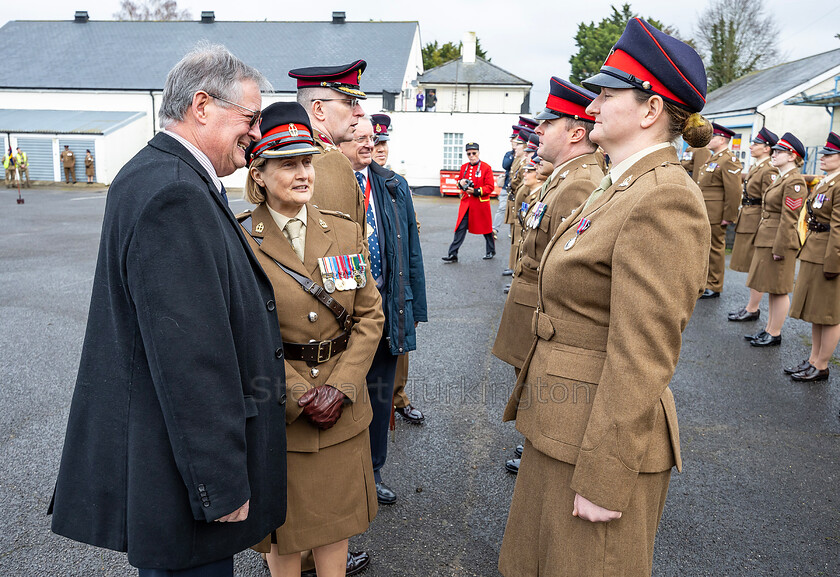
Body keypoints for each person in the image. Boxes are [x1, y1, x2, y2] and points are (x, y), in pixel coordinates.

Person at [49, 44, 287, 576]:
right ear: (202, 107)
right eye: (250, 118)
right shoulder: (174, 193)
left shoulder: (157, 174)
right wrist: (221, 485)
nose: (257, 132)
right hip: (183, 481)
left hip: (169, 461)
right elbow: (192, 361)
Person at [499, 18, 712, 577]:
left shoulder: (664, 197)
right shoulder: (621, 182)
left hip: (596, 444)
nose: (592, 105)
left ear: (650, 110)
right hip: (565, 427)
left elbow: (644, 352)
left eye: (608, 93)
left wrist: (605, 475)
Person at [238, 102, 384, 577]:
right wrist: (303, 395)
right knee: (283, 532)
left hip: (342, 406)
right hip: (282, 409)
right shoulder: (240, 240)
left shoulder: (342, 230)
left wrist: (339, 388)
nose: (303, 173)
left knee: (335, 529)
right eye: (287, 164)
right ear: (258, 173)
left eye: (307, 162)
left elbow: (368, 317)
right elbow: (242, 335)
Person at [493, 77, 604, 473]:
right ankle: (533, 440)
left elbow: (565, 271)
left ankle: (538, 444)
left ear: (576, 132)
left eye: (548, 123)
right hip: (527, 299)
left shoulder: (580, 184)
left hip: (543, 309)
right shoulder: (564, 177)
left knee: (541, 389)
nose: (537, 130)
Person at [340, 117, 427, 504]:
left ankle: (373, 473)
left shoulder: (393, 185)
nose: (367, 143)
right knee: (341, 394)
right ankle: (341, 473)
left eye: (371, 138)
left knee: (378, 395)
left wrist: (412, 309)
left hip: (387, 310)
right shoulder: (329, 182)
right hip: (342, 314)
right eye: (359, 137)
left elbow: (411, 252)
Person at [370, 113, 426, 425]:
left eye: (383, 143)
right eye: (375, 143)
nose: (380, 148)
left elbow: (410, 239)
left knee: (398, 345)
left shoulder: (395, 183)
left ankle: (399, 397)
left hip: (396, 279)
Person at [744, 132, 808, 347]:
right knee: (770, 286)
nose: (774, 154)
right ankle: (769, 329)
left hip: (779, 241)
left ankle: (775, 333)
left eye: (780, 152)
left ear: (792, 156)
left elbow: (790, 218)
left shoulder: (795, 182)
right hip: (768, 237)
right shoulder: (782, 178)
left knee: (779, 289)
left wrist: (780, 247)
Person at [787, 132, 840, 381]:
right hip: (814, 248)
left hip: (828, 254)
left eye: (829, 154)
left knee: (829, 314)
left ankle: (822, 365)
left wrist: (834, 262)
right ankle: (813, 359)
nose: (823, 157)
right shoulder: (825, 181)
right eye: (824, 153)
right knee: (817, 312)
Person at [289, 60, 367, 226]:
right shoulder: (331, 160)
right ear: (319, 109)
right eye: (350, 102)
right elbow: (342, 244)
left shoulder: (289, 152)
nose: (360, 112)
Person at [728, 128, 780, 322]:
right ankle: (751, 306)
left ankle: (753, 308)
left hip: (757, 220)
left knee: (756, 266)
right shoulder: (759, 166)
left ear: (767, 148)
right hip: (749, 218)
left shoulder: (769, 169)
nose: (751, 147)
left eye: (756, 144)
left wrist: (763, 226)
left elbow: (770, 201)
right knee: (752, 266)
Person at [698, 123, 743, 299]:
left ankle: (715, 285)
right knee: (707, 248)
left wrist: (729, 216)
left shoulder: (728, 159)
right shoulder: (714, 158)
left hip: (717, 214)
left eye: (712, 137)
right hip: (708, 210)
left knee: (715, 249)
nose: (709, 140)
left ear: (722, 139)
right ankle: (706, 282)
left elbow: (733, 191)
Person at [442, 142, 496, 262]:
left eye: (474, 153)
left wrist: (476, 191)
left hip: (480, 203)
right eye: (469, 154)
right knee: (460, 228)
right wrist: (460, 183)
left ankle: (490, 250)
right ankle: (453, 254)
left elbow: (490, 187)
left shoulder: (486, 167)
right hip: (467, 203)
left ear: (478, 153)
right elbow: (459, 181)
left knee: (486, 229)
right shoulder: (464, 167)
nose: (471, 156)